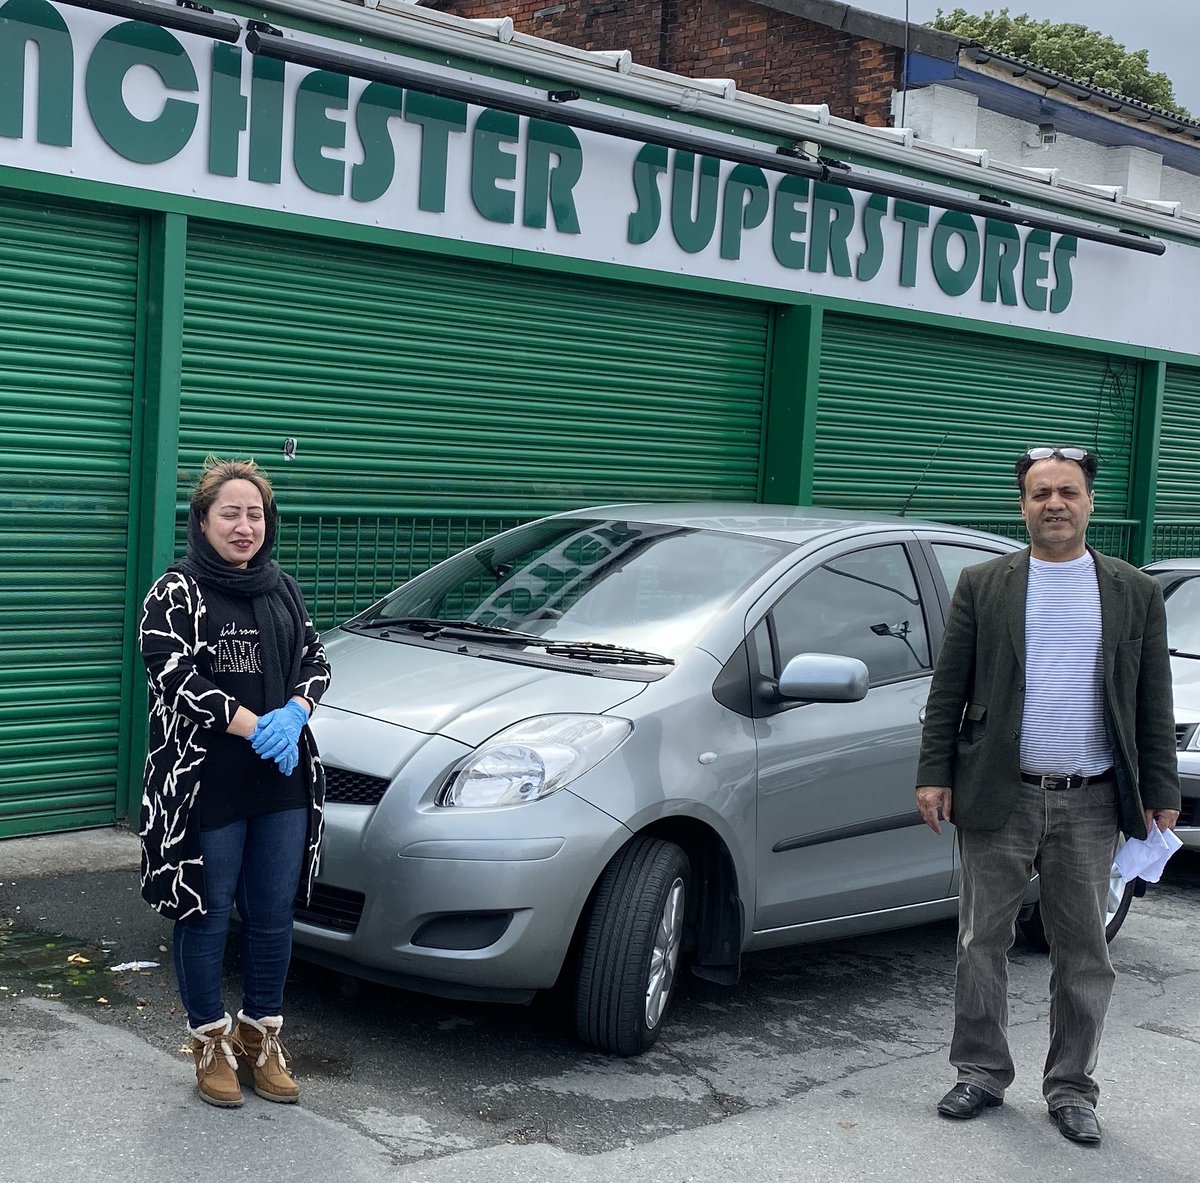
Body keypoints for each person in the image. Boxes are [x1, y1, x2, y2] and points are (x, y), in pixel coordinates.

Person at [915, 445, 1180, 1146]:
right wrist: (933, 773)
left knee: (1084, 951)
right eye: (1040, 493)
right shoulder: (983, 583)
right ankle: (980, 1070)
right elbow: (949, 687)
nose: (1054, 502)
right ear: (1023, 505)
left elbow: (1153, 701)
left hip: (1093, 800)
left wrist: (1161, 791)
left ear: (1090, 503)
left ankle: (1071, 1087)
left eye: (1066, 491)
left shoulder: (1133, 591)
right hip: (1000, 794)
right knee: (981, 942)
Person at [138, 456, 331, 1108]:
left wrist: (295, 712)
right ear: (203, 519)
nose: (244, 526)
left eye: (255, 514)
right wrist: (254, 724)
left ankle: (260, 1034)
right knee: (208, 912)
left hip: (280, 782)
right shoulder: (176, 592)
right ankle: (209, 1040)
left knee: (273, 914)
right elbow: (175, 676)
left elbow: (315, 659)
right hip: (205, 784)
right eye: (230, 513)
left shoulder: (282, 588)